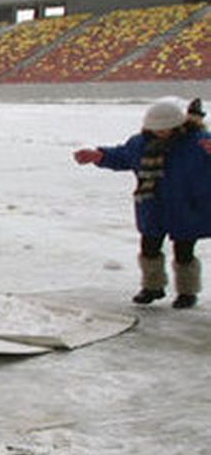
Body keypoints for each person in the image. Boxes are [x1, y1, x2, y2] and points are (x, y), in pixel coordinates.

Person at [73, 97, 211, 309]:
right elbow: (122, 156)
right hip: (153, 205)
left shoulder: (198, 142)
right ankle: (152, 287)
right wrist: (99, 156)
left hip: (188, 206)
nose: (162, 133)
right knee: (149, 248)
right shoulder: (140, 143)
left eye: (167, 129)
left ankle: (187, 292)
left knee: (184, 252)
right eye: (158, 129)